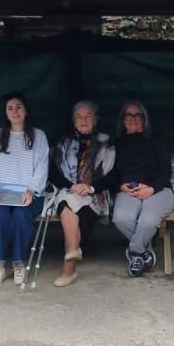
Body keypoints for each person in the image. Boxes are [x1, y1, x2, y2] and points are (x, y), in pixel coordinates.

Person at [96, 100, 174, 277]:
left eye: (137, 115)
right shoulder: (118, 144)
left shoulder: (156, 140)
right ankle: (144, 251)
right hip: (130, 190)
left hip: (158, 190)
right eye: (128, 115)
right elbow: (114, 174)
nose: (133, 119)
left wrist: (151, 189)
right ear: (122, 120)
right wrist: (120, 186)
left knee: (148, 220)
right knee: (121, 219)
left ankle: (136, 253)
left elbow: (166, 172)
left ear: (144, 119)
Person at [46, 100, 115, 288]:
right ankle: (70, 262)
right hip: (68, 191)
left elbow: (113, 175)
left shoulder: (107, 143)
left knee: (69, 207)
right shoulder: (63, 142)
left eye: (88, 116)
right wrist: (72, 185)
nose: (83, 120)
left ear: (95, 120)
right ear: (74, 121)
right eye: (79, 116)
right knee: (67, 201)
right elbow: (53, 173)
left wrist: (91, 188)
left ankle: (70, 260)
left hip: (95, 195)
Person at [0, 92, 49, 287]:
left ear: (26, 111)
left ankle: (18, 263)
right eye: (10, 108)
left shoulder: (39, 136)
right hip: (1, 192)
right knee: (0, 215)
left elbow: (42, 167)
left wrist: (31, 190)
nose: (15, 111)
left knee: (21, 215)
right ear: (5, 113)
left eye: (19, 107)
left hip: (29, 193)